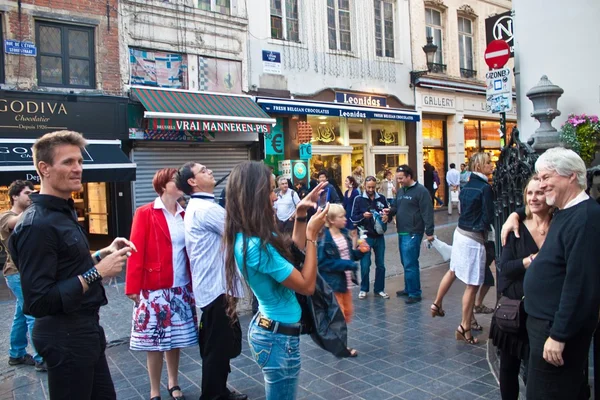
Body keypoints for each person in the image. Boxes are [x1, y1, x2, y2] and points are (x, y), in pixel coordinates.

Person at [8, 130, 135, 399]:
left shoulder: (62, 213)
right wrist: (98, 272)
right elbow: (39, 301)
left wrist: (102, 253)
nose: (78, 168)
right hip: (64, 336)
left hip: (85, 330)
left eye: (79, 161)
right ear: (44, 168)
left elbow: (67, 268)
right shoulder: (37, 225)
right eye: (68, 162)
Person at [222, 161, 329, 400]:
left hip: (274, 333)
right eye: (270, 190)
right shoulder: (255, 246)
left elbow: (292, 254)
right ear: (254, 195)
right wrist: (312, 235)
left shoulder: (255, 235)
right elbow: (306, 285)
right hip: (278, 340)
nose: (274, 197)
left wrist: (301, 215)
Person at [501, 147, 600, 400]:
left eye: (546, 178)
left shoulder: (585, 218)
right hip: (545, 324)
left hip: (555, 329)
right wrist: (515, 214)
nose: (541, 185)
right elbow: (534, 207)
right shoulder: (566, 211)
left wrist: (558, 335)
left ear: (571, 176)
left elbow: (580, 284)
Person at [175, 162, 247, 400]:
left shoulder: (203, 206)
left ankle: (219, 390)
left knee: (221, 345)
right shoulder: (205, 209)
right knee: (217, 347)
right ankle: (213, 395)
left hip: (216, 288)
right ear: (192, 182)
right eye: (203, 170)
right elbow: (238, 229)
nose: (210, 171)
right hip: (217, 289)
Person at [126, 168, 198, 400]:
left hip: (181, 286)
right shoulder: (145, 212)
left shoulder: (186, 214)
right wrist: (132, 286)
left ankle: (173, 382)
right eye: (174, 180)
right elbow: (135, 251)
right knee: (154, 342)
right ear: (163, 185)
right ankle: (154, 390)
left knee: (174, 340)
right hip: (154, 287)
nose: (179, 184)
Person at [490, 176, 551, 400]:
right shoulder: (515, 227)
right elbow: (504, 267)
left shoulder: (559, 224)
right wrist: (530, 260)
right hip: (514, 310)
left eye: (540, 193)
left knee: (537, 371)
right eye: (530, 193)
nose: (534, 198)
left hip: (543, 312)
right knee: (509, 369)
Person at [430, 152, 494, 345]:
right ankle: (464, 326)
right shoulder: (484, 188)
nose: (492, 166)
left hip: (460, 232)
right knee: (473, 284)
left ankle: (437, 303)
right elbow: (488, 216)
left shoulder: (467, 186)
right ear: (479, 166)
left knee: (453, 270)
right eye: (488, 163)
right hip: (473, 237)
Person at [0, 180, 46, 372]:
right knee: (33, 315)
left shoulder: (31, 213)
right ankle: (41, 358)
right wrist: (39, 200)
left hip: (26, 272)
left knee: (21, 315)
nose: (30, 196)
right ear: (15, 196)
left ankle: (16, 354)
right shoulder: (5, 216)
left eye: (32, 193)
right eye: (27, 193)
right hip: (17, 274)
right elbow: (15, 222)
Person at [318, 203, 363, 357]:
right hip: (333, 283)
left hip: (346, 282)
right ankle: (341, 348)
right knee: (340, 317)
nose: (345, 219)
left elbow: (349, 254)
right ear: (331, 220)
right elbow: (323, 263)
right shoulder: (325, 238)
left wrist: (360, 253)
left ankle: (334, 341)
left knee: (347, 313)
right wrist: (347, 264)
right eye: (341, 216)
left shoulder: (344, 234)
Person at [388, 165, 435, 304]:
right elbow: (396, 206)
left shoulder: (421, 191)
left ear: (409, 176)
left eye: (401, 178)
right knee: (405, 262)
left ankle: (415, 293)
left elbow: (427, 212)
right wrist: (389, 212)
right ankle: (408, 288)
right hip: (402, 231)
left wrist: (429, 232)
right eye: (397, 178)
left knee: (410, 263)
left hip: (413, 231)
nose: (399, 181)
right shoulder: (401, 191)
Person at [351, 176, 390, 299]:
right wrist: (363, 216)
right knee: (365, 264)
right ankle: (364, 289)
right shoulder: (358, 199)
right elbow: (352, 218)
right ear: (364, 186)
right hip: (364, 236)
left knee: (381, 264)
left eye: (373, 187)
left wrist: (386, 217)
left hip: (379, 236)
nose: (371, 189)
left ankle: (379, 289)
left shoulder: (382, 198)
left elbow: (387, 215)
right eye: (368, 187)